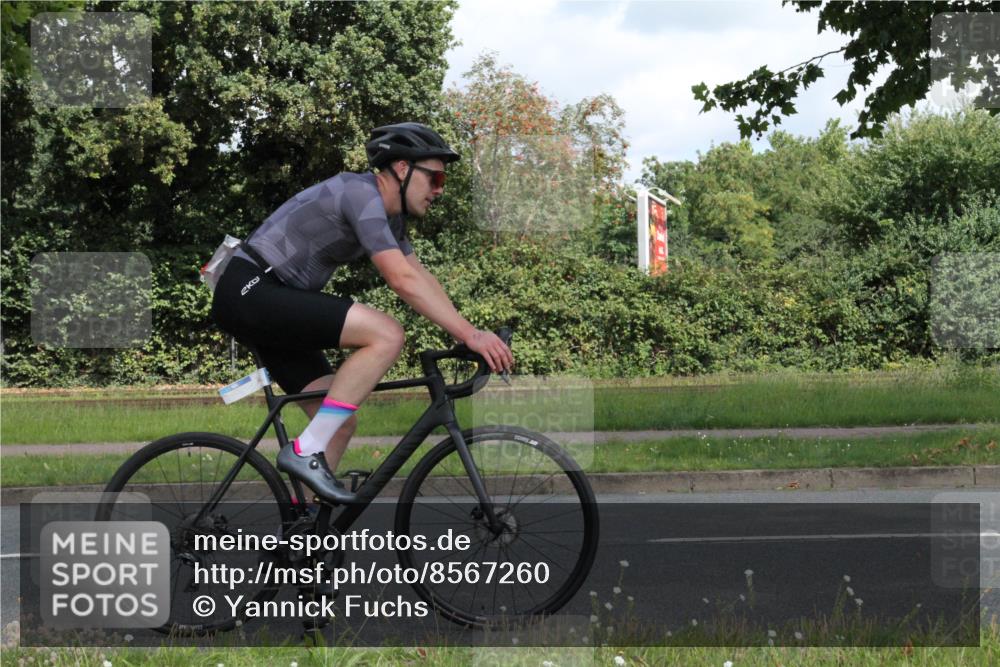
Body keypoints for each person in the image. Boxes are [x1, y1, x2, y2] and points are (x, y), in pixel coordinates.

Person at [210, 122, 514, 503]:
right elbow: (400, 279)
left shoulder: (391, 217)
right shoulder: (360, 193)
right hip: (250, 289)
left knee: (337, 423)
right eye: (435, 178)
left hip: (271, 299)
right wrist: (470, 336)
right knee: (386, 333)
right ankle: (305, 452)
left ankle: (302, 537)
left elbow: (420, 276)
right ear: (402, 169)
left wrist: (467, 332)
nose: (439, 190)